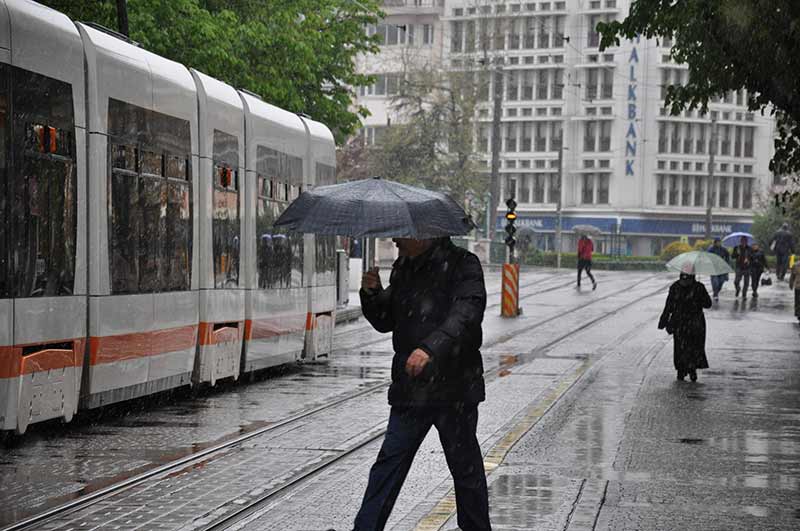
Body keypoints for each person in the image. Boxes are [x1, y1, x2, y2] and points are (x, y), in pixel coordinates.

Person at [353, 237, 491, 531]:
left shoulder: (464, 264)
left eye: (402, 233)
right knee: (388, 465)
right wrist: (372, 293)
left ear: (424, 234)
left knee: (466, 470)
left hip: (454, 388)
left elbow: (465, 316)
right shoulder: (405, 266)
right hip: (411, 389)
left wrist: (430, 349)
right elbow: (386, 319)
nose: (395, 239)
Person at [658, 267, 713, 382]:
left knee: (680, 346)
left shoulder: (675, 287)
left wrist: (664, 320)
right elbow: (708, 304)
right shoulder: (699, 287)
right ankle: (692, 369)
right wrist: (700, 295)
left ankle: (681, 370)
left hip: (679, 322)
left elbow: (669, 305)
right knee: (695, 346)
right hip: (696, 322)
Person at [789, 256, 800, 323]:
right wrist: (791, 284)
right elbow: (792, 276)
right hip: (798, 286)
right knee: (797, 301)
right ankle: (798, 314)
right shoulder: (795, 265)